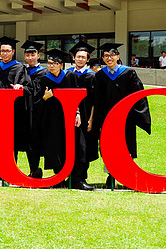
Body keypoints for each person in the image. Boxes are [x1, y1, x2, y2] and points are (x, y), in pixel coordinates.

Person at [94, 43, 151, 188]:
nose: (109, 58)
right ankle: (110, 176)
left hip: (126, 118)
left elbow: (138, 96)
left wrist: (138, 115)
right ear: (103, 58)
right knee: (110, 148)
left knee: (127, 146)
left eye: (112, 55)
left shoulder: (129, 73)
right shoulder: (100, 75)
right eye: (106, 56)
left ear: (118, 57)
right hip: (108, 118)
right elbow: (97, 99)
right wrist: (99, 119)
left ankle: (128, 176)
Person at [39, 49, 93, 190]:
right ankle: (59, 178)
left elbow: (79, 99)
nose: (51, 66)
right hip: (53, 121)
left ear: (61, 64)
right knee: (56, 148)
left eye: (55, 63)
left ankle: (77, 180)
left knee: (78, 147)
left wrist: (79, 114)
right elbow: (37, 102)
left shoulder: (71, 77)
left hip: (71, 118)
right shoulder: (44, 79)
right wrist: (45, 97)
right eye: (49, 63)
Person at [0, 37, 33, 166]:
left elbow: (28, 87)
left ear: (13, 52)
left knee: (12, 138)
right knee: (0, 139)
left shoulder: (20, 68)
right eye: (2, 51)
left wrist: (20, 87)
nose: (5, 53)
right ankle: (1, 167)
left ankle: (12, 166)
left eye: (7, 51)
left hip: (15, 109)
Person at [68, 41, 100, 186]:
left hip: (86, 116)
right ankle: (69, 176)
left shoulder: (92, 76)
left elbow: (94, 100)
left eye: (83, 57)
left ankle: (80, 178)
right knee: (70, 146)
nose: (80, 59)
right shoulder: (68, 75)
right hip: (70, 116)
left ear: (88, 60)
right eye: (78, 57)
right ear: (73, 58)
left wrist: (91, 120)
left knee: (84, 147)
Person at [22, 40, 48, 178]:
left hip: (40, 111)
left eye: (33, 54)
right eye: (27, 54)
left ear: (38, 55)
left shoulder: (44, 72)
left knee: (37, 139)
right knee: (28, 141)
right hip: (25, 110)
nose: (30, 57)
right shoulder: (22, 70)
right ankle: (33, 169)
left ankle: (36, 168)